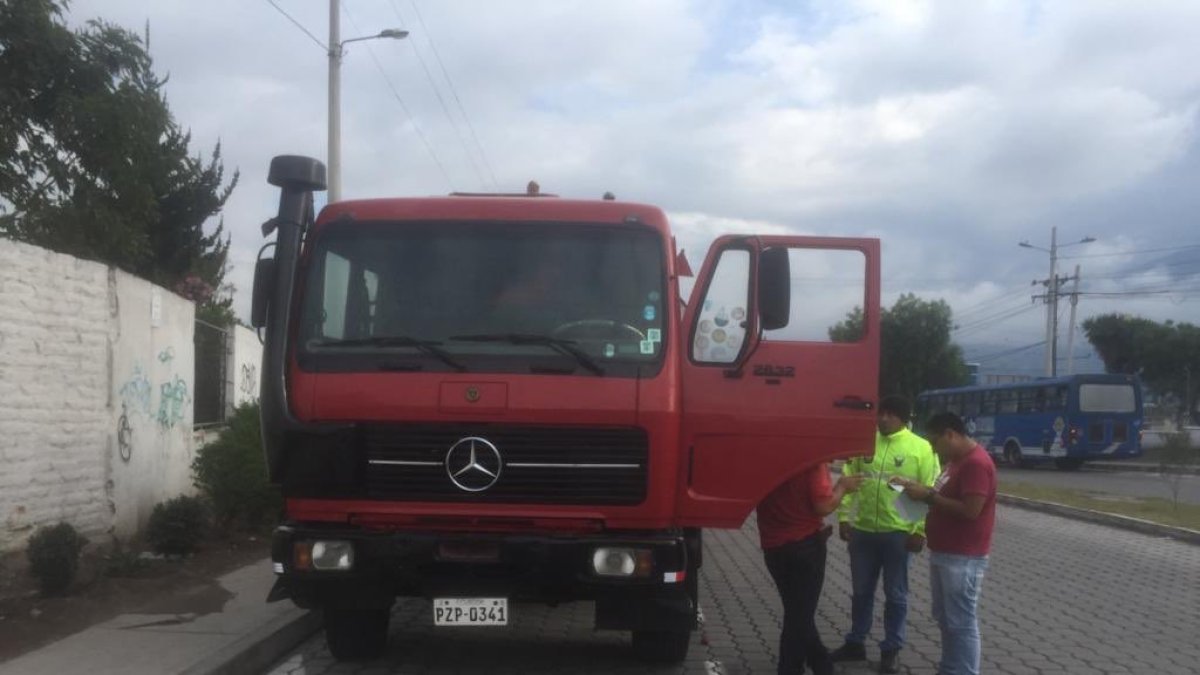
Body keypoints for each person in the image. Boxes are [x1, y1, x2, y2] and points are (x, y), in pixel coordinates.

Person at [831, 395, 939, 674]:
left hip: (899, 535)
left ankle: (891, 649)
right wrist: (843, 517)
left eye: (891, 414)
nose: (883, 418)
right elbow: (849, 479)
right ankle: (855, 643)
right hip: (863, 531)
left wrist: (919, 531)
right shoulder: (864, 442)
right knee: (860, 592)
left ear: (904, 418)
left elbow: (929, 490)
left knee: (896, 595)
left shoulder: (922, 448)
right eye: (881, 413)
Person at [894, 412, 997, 675]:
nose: (933, 449)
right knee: (946, 618)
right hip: (945, 551)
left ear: (950, 434)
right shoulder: (955, 462)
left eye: (934, 442)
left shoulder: (975, 464)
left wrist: (928, 496)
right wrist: (913, 487)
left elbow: (971, 511)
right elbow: (941, 494)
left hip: (963, 555)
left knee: (961, 621)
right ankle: (951, 667)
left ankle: (964, 670)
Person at [757, 463, 864, 675]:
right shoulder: (813, 462)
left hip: (773, 546)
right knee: (800, 616)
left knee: (797, 611)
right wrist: (842, 487)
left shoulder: (765, 458)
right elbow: (823, 506)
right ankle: (790, 668)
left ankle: (821, 664)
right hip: (805, 546)